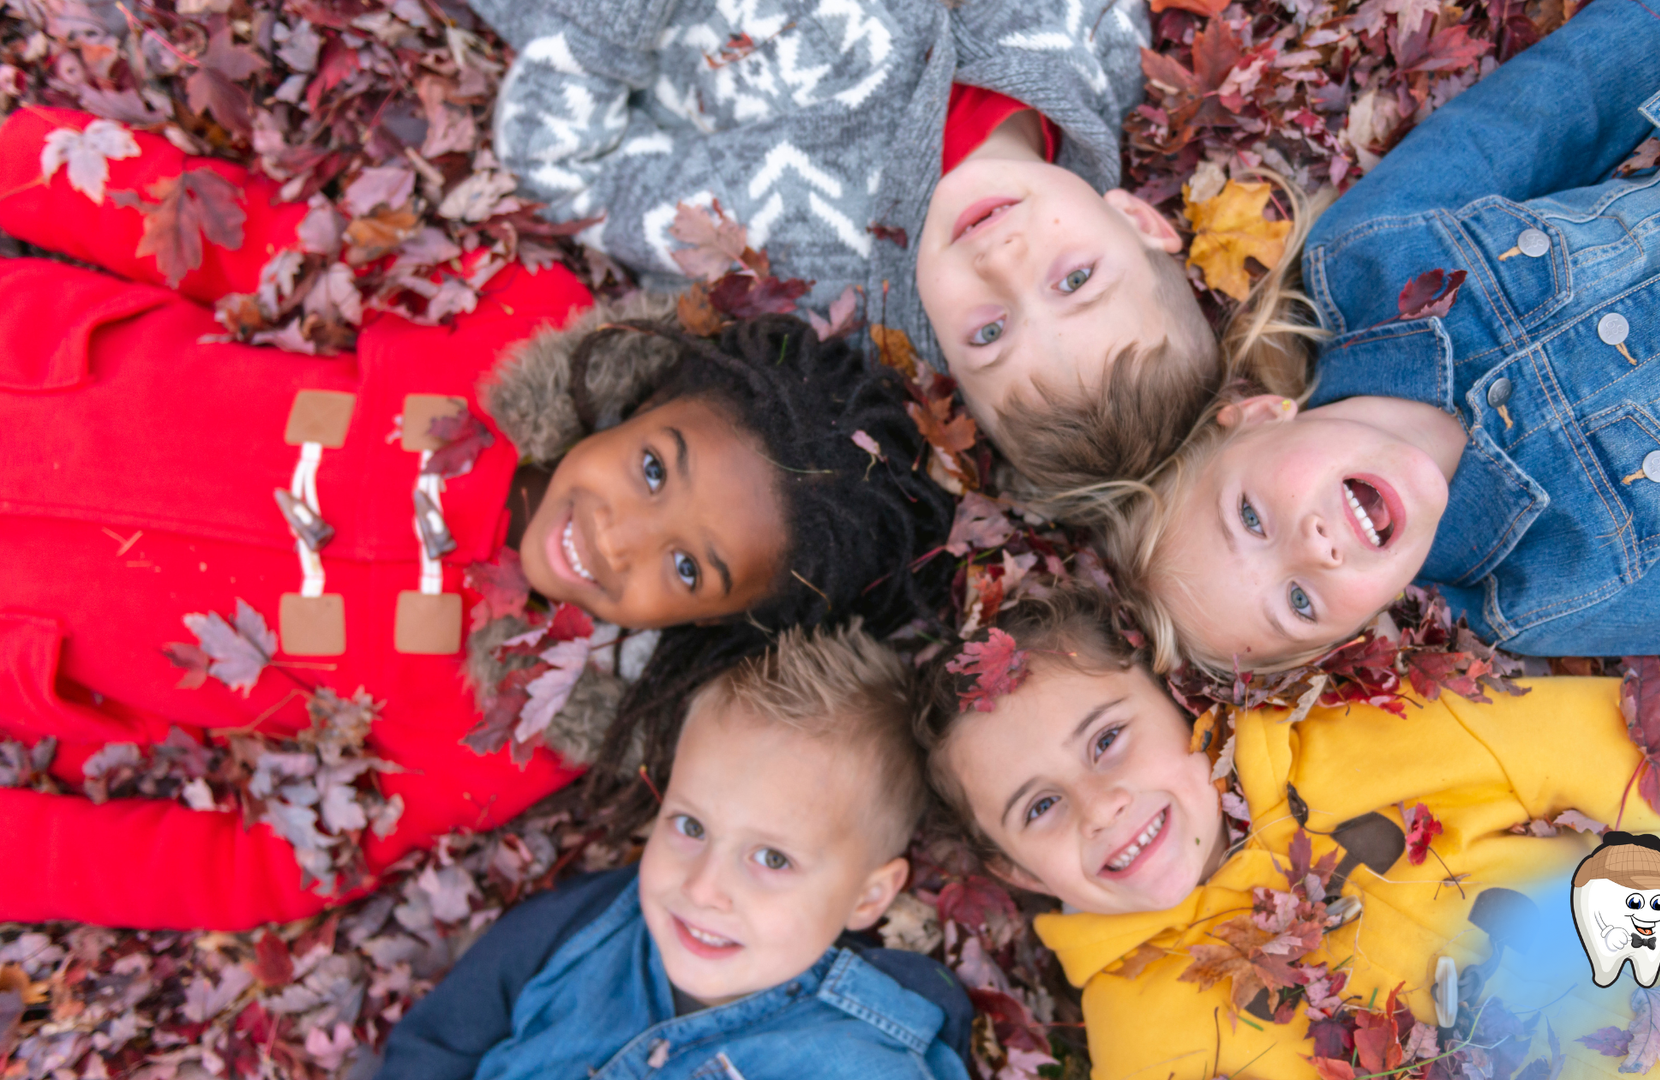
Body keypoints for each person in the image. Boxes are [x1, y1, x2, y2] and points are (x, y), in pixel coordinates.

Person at [0, 106, 952, 930]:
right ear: (655, 394)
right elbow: (257, 239)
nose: (620, 538)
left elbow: (263, 866)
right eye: (655, 467)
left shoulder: (502, 738)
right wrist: (21, 157)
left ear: (710, 625)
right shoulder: (507, 318)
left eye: (689, 570)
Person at [1100, 0, 1660, 670]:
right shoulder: (1549, 588)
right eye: (1299, 603)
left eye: (1248, 518)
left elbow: (1577, 95)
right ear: (1356, 632)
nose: (1310, 548)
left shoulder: (1370, 257)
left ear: (1254, 417)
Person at [911, 588, 1660, 1080]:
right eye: (1039, 808)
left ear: (1178, 710)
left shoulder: (1362, 737)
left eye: (1108, 739)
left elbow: (1619, 760)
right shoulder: (1139, 1035)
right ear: (1010, 868)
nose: (1101, 805)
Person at [467, 0, 1235, 482]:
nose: (1005, 266)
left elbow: (563, 161)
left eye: (991, 331)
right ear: (1139, 220)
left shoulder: (802, 263)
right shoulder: (1090, 44)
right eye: (1073, 281)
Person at [377, 622, 971, 1080]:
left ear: (867, 897)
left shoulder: (867, 1059)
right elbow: (435, 1047)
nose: (702, 888)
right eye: (690, 826)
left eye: (772, 859)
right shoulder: (585, 929)